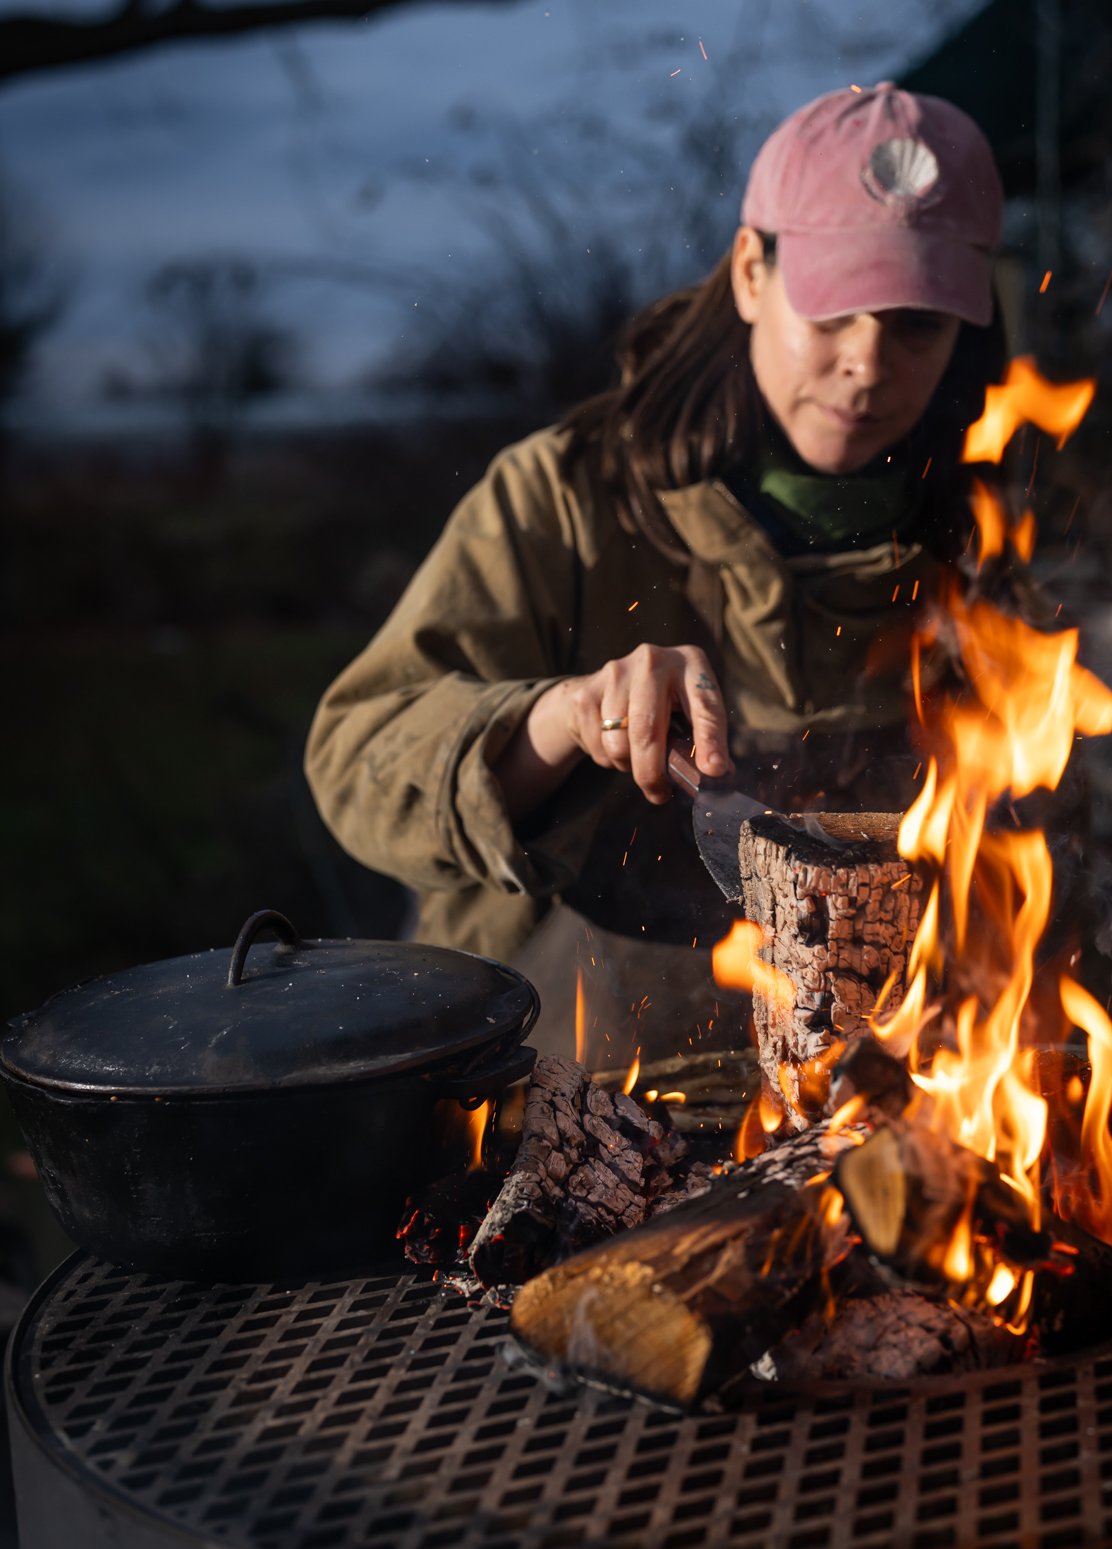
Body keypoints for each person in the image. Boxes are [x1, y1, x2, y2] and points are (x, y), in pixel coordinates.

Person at [305, 83, 1009, 1065]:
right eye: (834, 311)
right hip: (568, 1115)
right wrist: (558, 718)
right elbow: (356, 763)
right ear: (752, 273)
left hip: (885, 1111)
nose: (867, 362)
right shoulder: (566, 497)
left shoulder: (990, 535)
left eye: (914, 326)